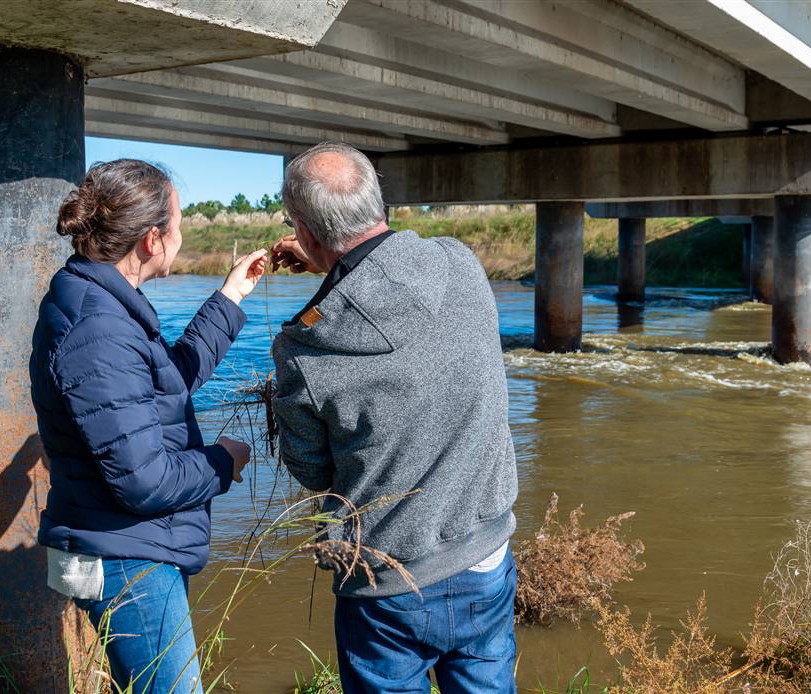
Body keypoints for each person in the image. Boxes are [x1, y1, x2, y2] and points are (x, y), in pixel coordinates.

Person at [270, 142, 519, 693]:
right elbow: (384, 279)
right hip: (484, 553)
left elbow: (312, 473)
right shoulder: (461, 265)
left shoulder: (302, 349)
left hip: (386, 582)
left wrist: (329, 276)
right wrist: (334, 263)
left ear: (307, 234)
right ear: (377, 201)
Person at [30, 159, 265, 693]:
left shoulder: (103, 308)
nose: (182, 236)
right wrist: (223, 461)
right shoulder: (99, 326)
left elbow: (170, 382)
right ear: (153, 239)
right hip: (125, 554)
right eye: (179, 225)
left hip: (131, 544)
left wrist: (231, 297)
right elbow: (145, 480)